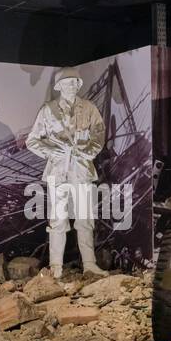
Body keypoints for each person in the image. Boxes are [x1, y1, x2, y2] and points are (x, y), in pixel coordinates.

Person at [25, 67, 109, 278]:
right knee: (58, 221)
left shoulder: (89, 108)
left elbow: (98, 135)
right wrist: (52, 150)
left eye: (75, 82)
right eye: (68, 82)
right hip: (58, 171)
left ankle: (89, 264)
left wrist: (87, 152)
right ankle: (56, 268)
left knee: (85, 219)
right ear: (59, 86)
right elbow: (32, 140)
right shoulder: (48, 110)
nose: (72, 85)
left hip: (81, 170)